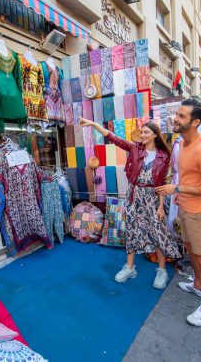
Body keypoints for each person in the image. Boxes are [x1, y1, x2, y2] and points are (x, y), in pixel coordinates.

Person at [77, 117, 180, 289]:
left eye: (147, 132)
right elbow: (114, 138)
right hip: (134, 194)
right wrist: (95, 125)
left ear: (155, 134)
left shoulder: (164, 155)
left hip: (152, 197)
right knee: (131, 229)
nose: (143, 135)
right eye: (142, 132)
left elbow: (162, 183)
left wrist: (161, 206)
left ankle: (162, 270)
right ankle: (130, 267)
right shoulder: (134, 148)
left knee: (157, 232)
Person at [155, 98, 201, 327]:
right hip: (185, 207)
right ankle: (198, 285)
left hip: (200, 213)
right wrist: (181, 193)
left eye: (182, 116)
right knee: (192, 252)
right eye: (177, 114)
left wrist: (178, 188)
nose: (175, 118)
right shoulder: (182, 144)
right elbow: (190, 177)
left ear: (195, 122)